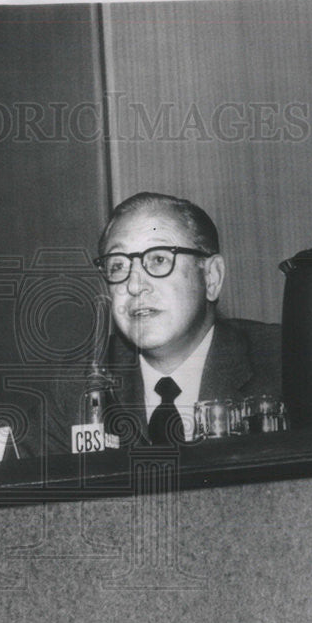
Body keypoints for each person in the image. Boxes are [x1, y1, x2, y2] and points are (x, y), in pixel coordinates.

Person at [41, 192, 281, 453]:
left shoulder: (285, 363)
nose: (134, 285)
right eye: (118, 266)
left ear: (211, 277)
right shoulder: (76, 387)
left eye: (158, 260)